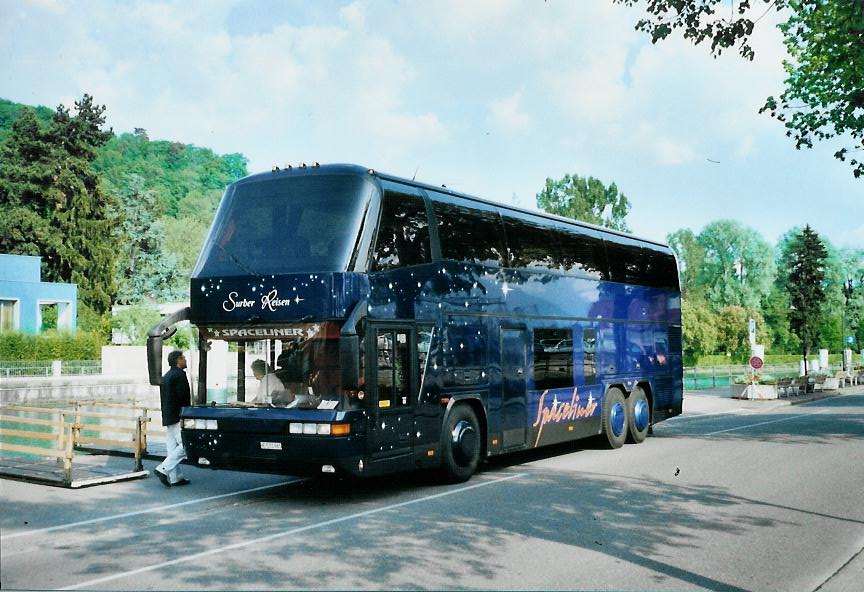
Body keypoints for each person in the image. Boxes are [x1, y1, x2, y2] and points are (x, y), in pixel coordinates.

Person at [154, 350, 191, 487]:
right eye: (184, 358)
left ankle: (176, 478)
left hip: (168, 415)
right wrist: (187, 414)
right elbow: (184, 397)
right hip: (177, 416)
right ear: (178, 360)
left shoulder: (167, 376)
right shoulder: (179, 375)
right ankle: (163, 469)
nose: (186, 360)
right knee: (186, 444)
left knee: (172, 447)